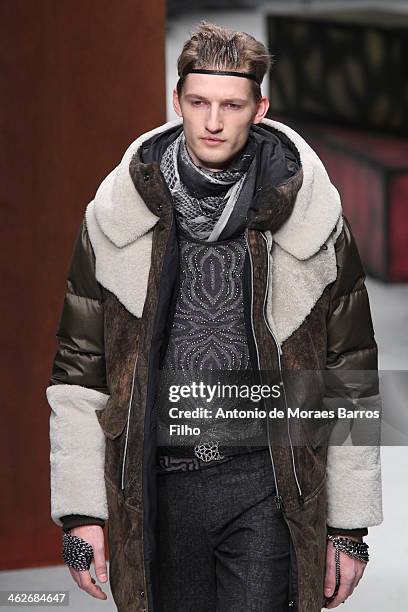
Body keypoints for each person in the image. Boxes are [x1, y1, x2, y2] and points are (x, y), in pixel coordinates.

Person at [46, 21, 383, 612]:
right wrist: (80, 512)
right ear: (176, 101)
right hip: (155, 484)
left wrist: (350, 526)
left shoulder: (312, 218)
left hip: (267, 483)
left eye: (231, 104)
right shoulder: (116, 216)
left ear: (261, 107)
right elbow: (79, 371)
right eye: (198, 102)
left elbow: (350, 372)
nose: (213, 121)